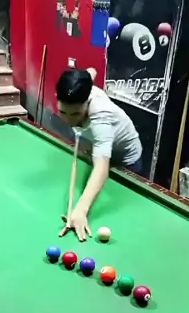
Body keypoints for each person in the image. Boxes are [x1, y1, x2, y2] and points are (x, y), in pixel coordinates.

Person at [56, 67, 142, 241]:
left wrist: (81, 210)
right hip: (103, 147)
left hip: (126, 161)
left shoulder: (101, 117)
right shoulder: (82, 86)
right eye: (63, 112)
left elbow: (102, 168)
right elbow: (91, 71)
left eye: (75, 113)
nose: (69, 120)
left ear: (87, 102)